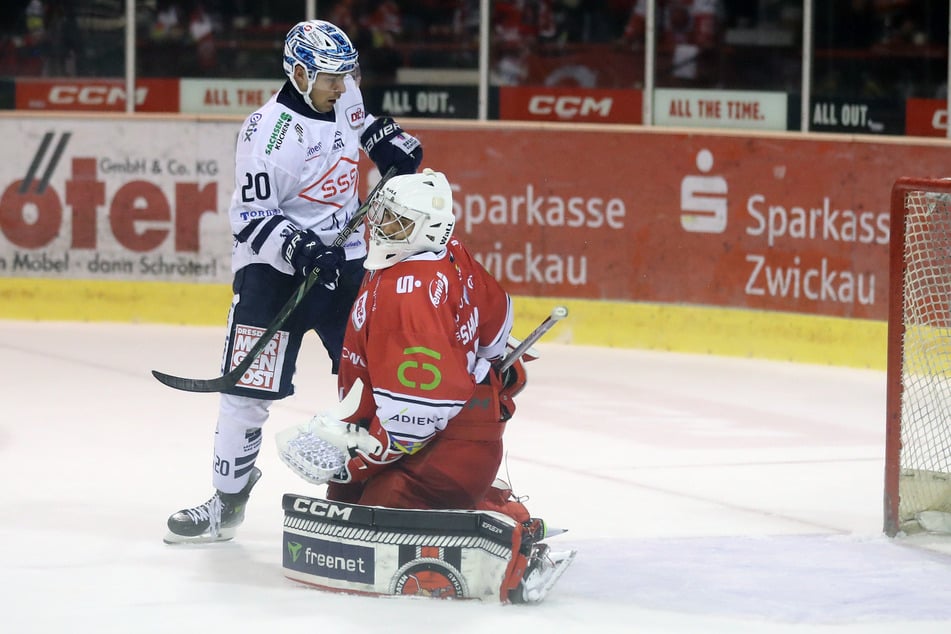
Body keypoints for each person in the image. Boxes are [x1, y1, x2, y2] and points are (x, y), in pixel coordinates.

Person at [163, 18, 422, 544]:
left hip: (346, 261)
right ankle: (225, 503)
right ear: (300, 73)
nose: (342, 84)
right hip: (273, 273)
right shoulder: (268, 133)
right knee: (245, 392)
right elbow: (253, 216)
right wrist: (301, 248)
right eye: (331, 76)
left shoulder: (342, 90)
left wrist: (391, 143)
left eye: (347, 74)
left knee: (375, 377)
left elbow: (362, 122)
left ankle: (390, 491)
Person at [275, 168, 573, 603]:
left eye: (396, 221)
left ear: (429, 228)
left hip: (446, 446)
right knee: (343, 499)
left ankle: (510, 536)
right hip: (451, 434)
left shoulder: (408, 291)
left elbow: (415, 420)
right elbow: (495, 324)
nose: (380, 227)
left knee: (378, 507)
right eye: (382, 215)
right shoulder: (446, 252)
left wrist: (356, 458)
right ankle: (490, 505)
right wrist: (498, 367)